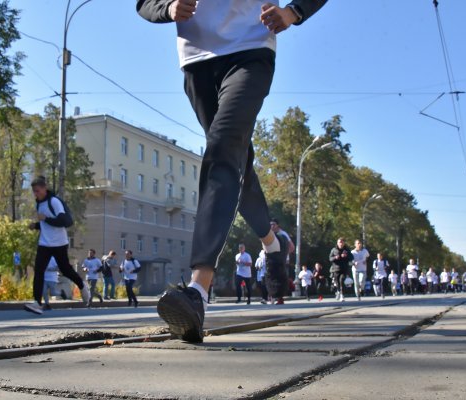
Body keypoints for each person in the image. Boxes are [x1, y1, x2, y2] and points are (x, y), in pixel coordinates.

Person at [137, 0, 327, 342]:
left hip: (251, 49)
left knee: (223, 147)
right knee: (238, 161)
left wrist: (293, 11)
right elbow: (144, 3)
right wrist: (168, 7)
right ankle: (271, 242)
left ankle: (197, 290)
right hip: (197, 62)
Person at [24, 176, 89, 315]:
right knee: (39, 271)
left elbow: (65, 221)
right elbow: (46, 226)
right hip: (44, 243)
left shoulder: (54, 201)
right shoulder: (39, 204)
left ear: (45, 188)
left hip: (59, 243)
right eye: (34, 192)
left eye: (38, 191)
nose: (36, 194)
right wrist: (35, 225)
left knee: (65, 270)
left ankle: (82, 285)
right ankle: (37, 303)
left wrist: (45, 219)